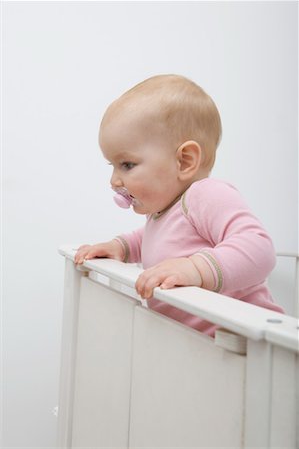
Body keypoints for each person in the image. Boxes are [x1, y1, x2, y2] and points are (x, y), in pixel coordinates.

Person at [75, 74, 284, 336]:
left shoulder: (205, 195)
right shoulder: (164, 214)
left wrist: (195, 268)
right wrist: (120, 247)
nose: (114, 180)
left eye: (127, 164)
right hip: (197, 348)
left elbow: (259, 248)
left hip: (250, 346)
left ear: (185, 161)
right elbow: (149, 239)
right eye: (113, 166)